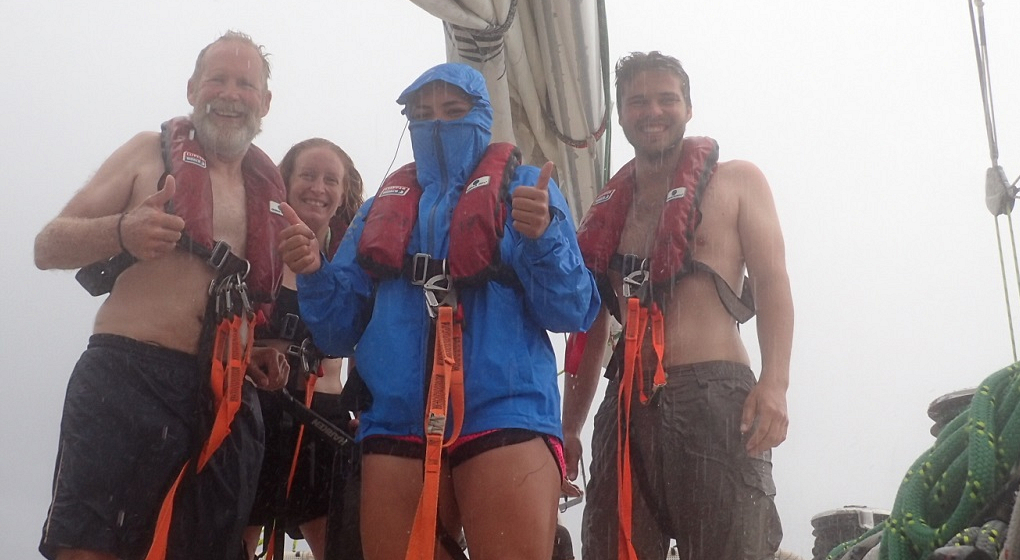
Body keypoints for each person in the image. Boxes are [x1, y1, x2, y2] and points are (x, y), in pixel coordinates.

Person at [278, 62, 600, 560]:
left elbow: (573, 308)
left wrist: (541, 241)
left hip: (506, 409)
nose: (437, 124)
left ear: (483, 116)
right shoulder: (381, 206)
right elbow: (337, 331)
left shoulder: (527, 186)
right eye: (423, 113)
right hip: (395, 419)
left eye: (454, 111)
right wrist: (316, 272)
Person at [33, 31, 292, 560]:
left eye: (245, 83)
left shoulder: (269, 192)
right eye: (217, 78)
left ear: (265, 103)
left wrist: (256, 351)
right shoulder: (145, 153)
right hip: (127, 380)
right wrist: (123, 230)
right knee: (89, 547)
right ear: (193, 88)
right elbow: (48, 245)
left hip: (224, 396)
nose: (230, 92)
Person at [564, 51, 792, 560]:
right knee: (608, 550)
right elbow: (590, 322)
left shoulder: (738, 181)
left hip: (714, 397)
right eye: (638, 102)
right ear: (620, 115)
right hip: (625, 409)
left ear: (688, 107)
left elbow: (774, 283)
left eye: (667, 99)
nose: (653, 111)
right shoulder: (608, 209)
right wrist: (570, 428)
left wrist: (775, 384)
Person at [243, 138, 364, 560]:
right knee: (234, 541)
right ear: (285, 183)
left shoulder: (355, 260)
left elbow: (373, 341)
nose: (318, 187)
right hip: (252, 410)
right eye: (308, 176)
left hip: (323, 421)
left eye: (331, 180)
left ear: (344, 194)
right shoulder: (254, 247)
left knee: (343, 548)